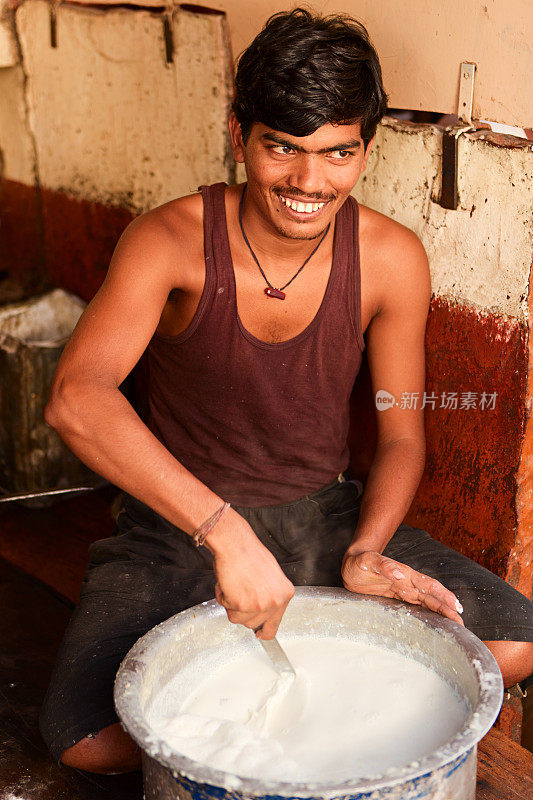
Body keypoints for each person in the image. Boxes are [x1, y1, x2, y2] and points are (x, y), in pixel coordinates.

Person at [40, 7, 532, 775]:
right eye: (282, 148)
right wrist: (223, 533)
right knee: (86, 743)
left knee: (510, 643)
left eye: (338, 153)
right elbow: (76, 396)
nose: (309, 182)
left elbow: (402, 432)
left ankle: (310, 732)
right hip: (178, 524)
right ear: (240, 136)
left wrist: (366, 550)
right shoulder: (167, 242)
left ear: (365, 151)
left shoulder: (391, 259)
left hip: (324, 515)